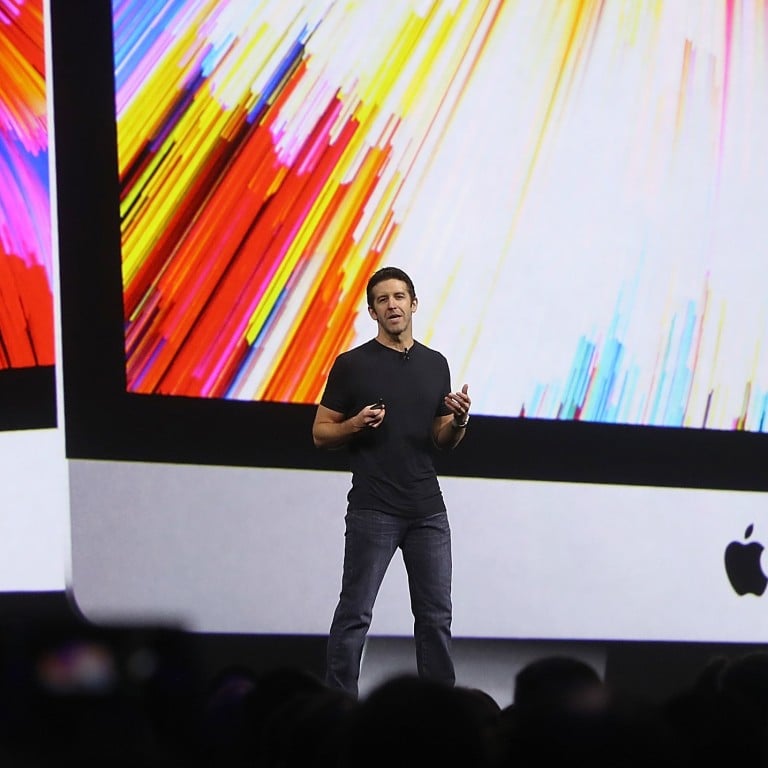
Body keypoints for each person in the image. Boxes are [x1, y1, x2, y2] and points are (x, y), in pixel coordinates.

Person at [312, 265, 471, 697]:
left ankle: (440, 712)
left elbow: (442, 439)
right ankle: (339, 705)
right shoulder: (352, 365)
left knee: (436, 616)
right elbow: (320, 432)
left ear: (413, 304)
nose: (392, 305)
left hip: (427, 511)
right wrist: (355, 425)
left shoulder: (435, 364)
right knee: (356, 614)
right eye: (382, 300)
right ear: (372, 311)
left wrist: (458, 421)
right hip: (373, 508)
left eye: (399, 297)